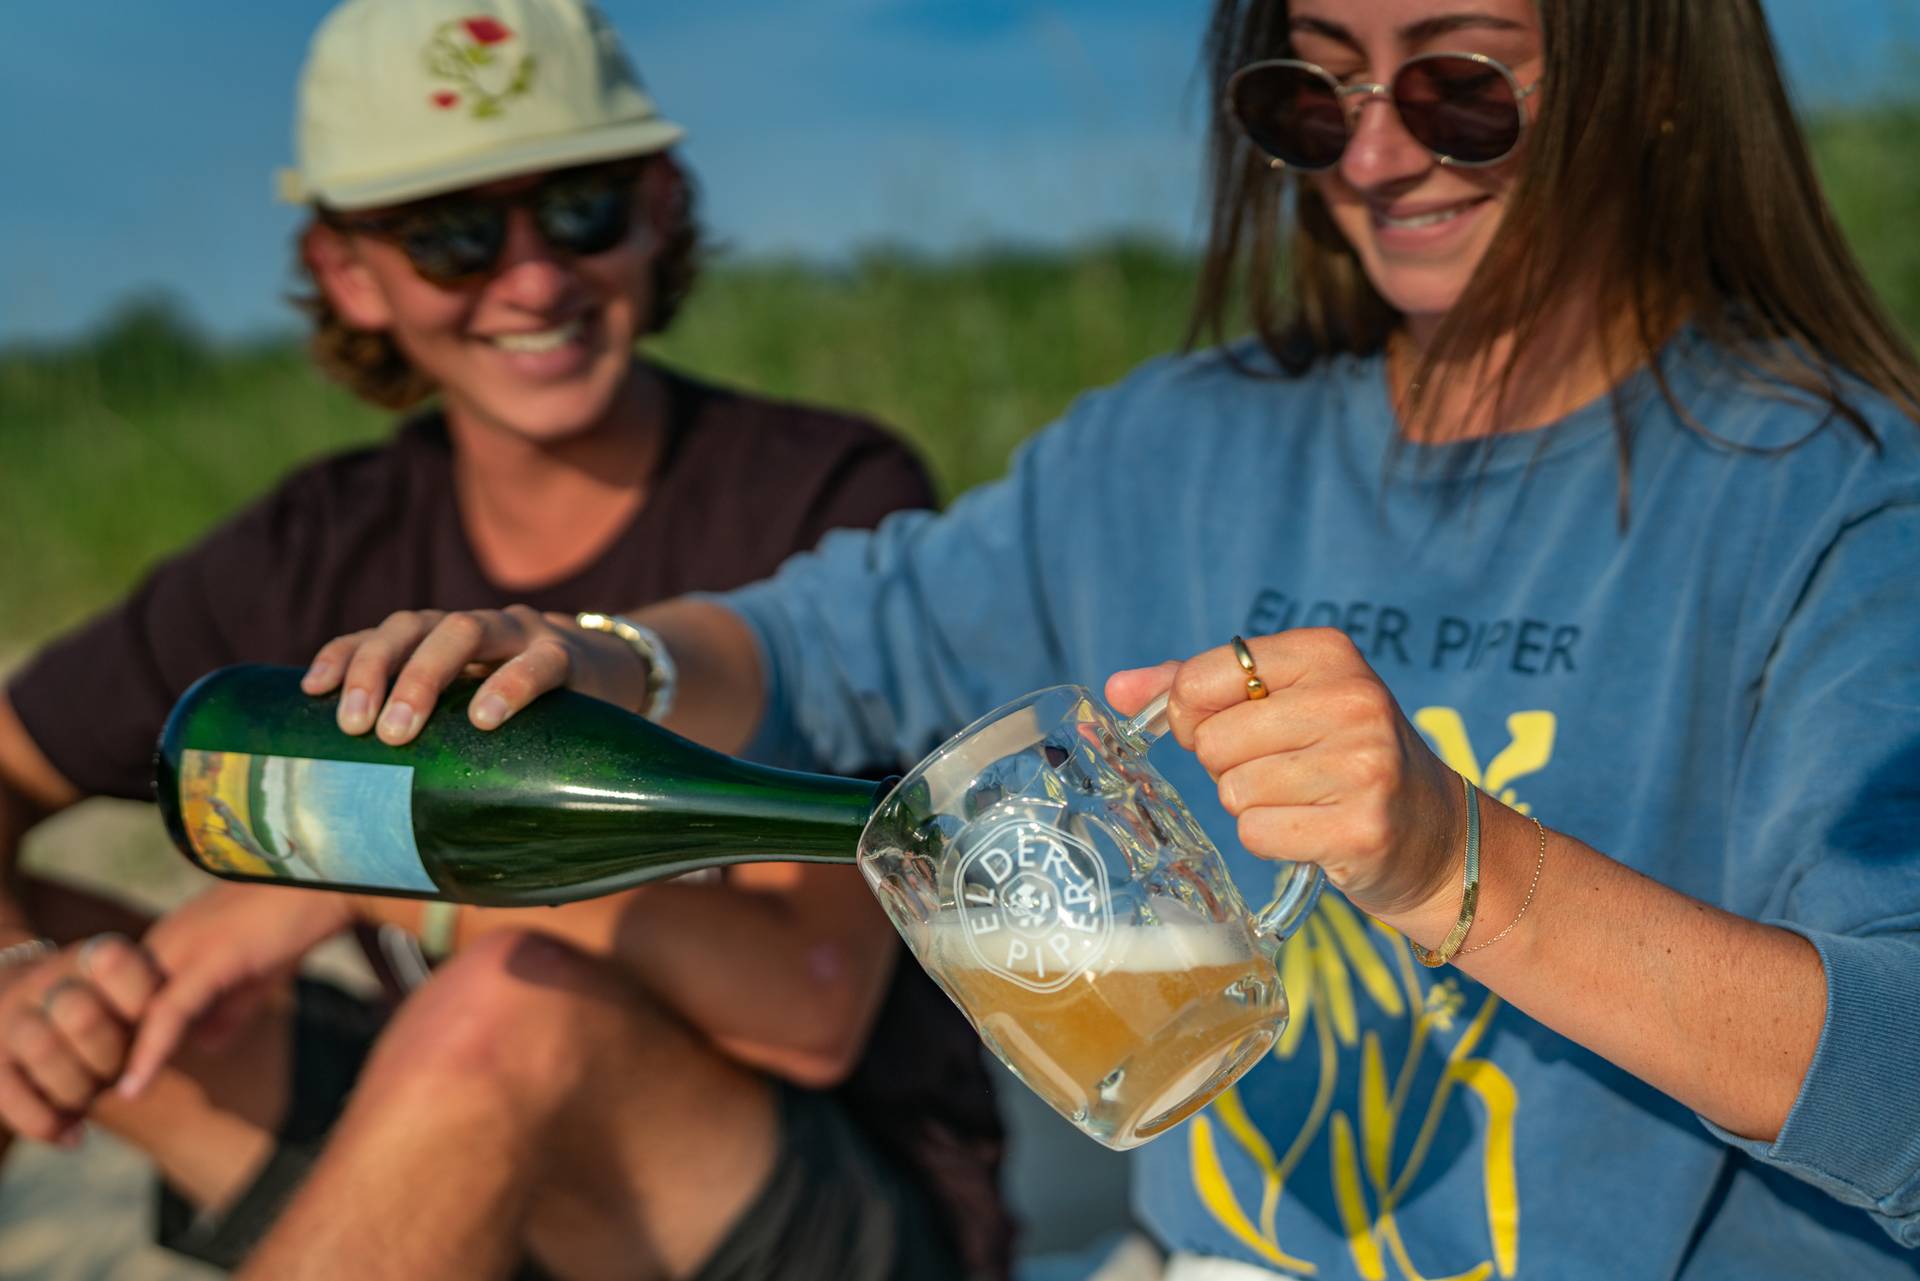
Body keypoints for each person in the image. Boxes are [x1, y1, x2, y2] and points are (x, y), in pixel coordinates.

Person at [257, 0, 1920, 1276]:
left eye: (1458, 82)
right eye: (1308, 90)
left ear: (1647, 75)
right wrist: (598, 655)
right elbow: (835, 637)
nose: (1372, 155)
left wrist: (1452, 862)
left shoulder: (1841, 499)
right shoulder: (1176, 450)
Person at [0, 1, 1010, 1278]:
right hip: (492, 1160)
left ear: (657, 205)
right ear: (351, 271)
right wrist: (21, 975)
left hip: (809, 1203)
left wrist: (366, 874)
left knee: (498, 1005)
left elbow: (806, 1004)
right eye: (454, 234)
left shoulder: (817, 500)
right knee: (80, 988)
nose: (533, 278)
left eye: (579, 204)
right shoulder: (318, 543)